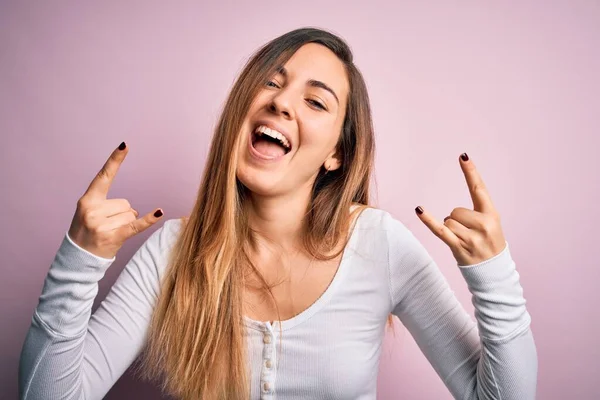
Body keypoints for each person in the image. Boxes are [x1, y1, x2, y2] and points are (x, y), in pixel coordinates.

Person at [18, 27, 537, 400]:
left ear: (338, 153)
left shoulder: (379, 244)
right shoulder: (173, 251)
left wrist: (494, 274)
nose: (282, 104)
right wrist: (79, 260)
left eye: (316, 102)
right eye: (271, 82)